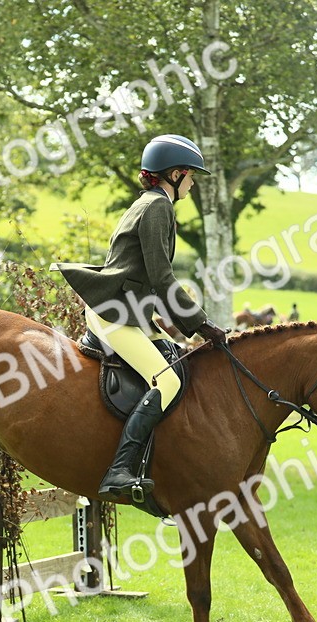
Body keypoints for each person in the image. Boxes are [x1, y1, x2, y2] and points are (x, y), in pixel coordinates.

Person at [57, 134, 226, 502]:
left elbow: (150, 279)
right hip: (114, 314)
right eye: (191, 176)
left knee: (177, 360)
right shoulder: (158, 207)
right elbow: (163, 277)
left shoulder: (149, 203)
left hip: (129, 311)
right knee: (168, 382)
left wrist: (176, 325)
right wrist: (202, 325)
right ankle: (119, 470)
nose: (193, 184)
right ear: (176, 174)